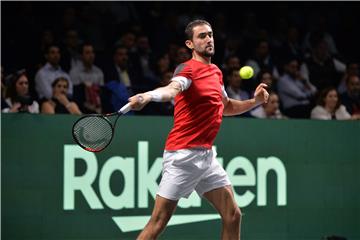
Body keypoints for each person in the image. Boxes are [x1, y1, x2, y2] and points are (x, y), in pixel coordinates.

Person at [127, 19, 269, 240]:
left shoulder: (216, 72)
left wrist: (255, 102)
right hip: (182, 156)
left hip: (206, 156)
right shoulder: (187, 70)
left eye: (210, 34)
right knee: (157, 223)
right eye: (202, 36)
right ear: (190, 44)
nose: (209, 39)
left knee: (233, 215)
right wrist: (148, 96)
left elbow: (226, 106)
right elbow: (171, 89)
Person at [70, 42, 104, 113]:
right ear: (81, 55)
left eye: (92, 53)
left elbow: (101, 92)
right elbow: (76, 94)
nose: (91, 55)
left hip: (97, 107)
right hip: (81, 107)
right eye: (87, 53)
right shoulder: (74, 72)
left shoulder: (99, 72)